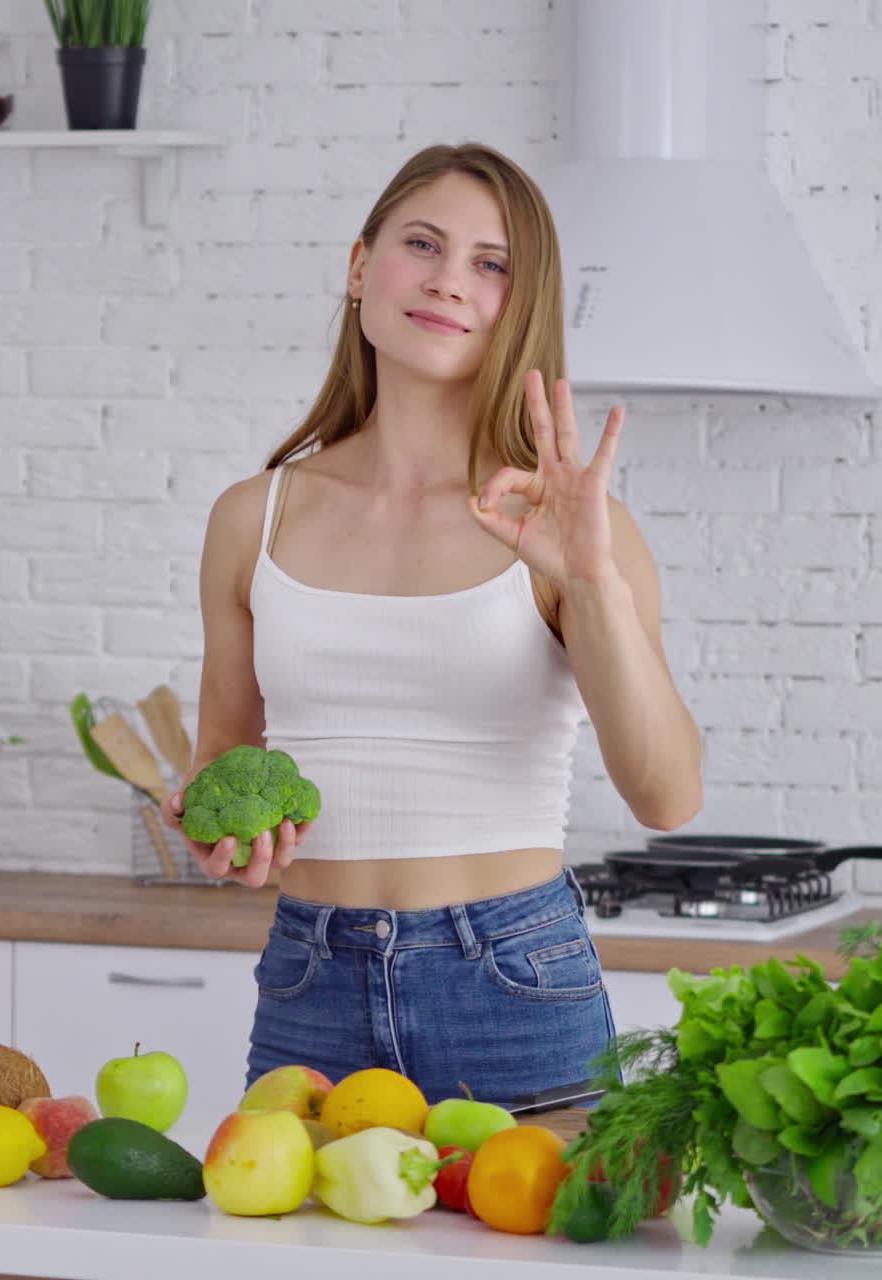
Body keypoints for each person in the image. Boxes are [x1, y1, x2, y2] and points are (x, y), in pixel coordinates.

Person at [161, 142, 703, 1108]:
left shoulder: (567, 525)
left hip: (511, 978)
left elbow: (667, 796)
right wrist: (220, 835)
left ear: (518, 307)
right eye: (424, 244)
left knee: (536, 1262)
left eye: (491, 265)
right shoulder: (254, 516)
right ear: (362, 266)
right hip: (306, 979)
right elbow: (224, 761)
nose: (451, 282)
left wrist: (591, 583)